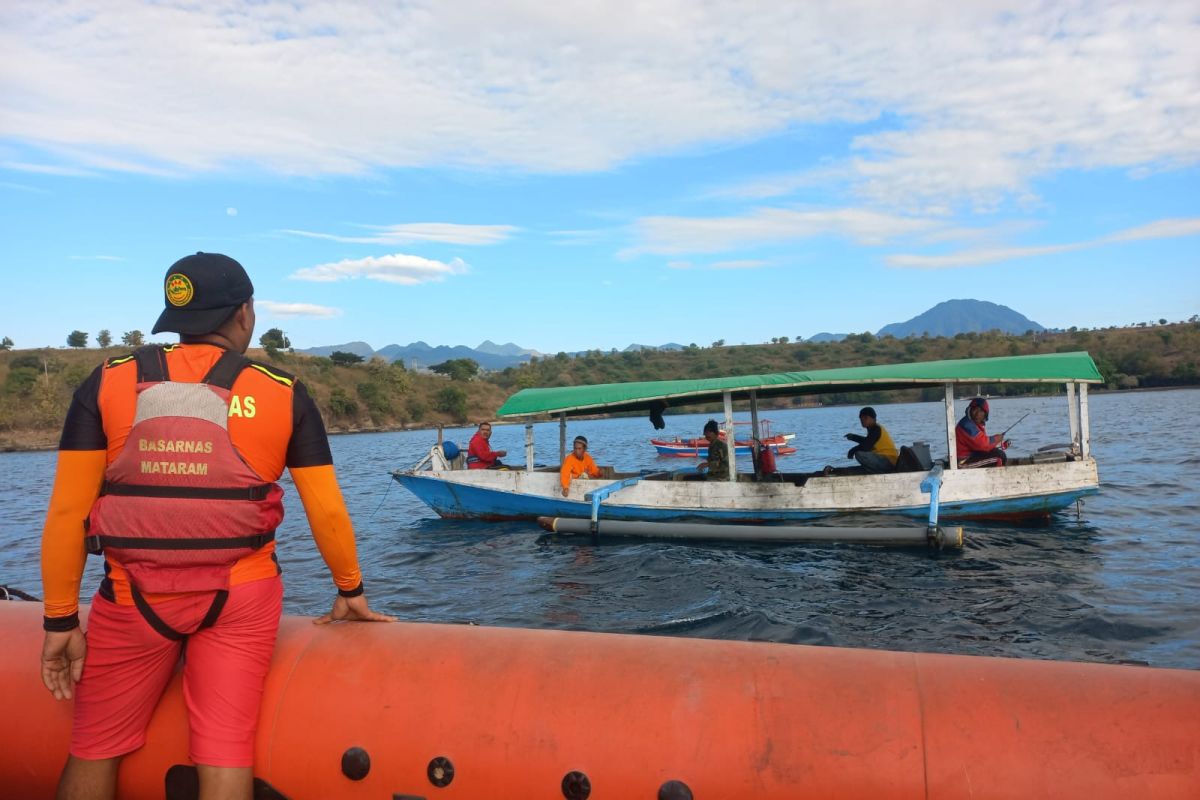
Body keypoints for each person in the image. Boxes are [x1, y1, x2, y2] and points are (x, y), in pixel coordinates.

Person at [38, 252, 392, 800]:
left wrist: (60, 620)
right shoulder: (282, 390)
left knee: (94, 747)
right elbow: (325, 508)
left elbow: (66, 512)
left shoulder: (108, 381)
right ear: (244, 313)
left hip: (132, 597)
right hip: (241, 596)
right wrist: (350, 590)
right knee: (226, 754)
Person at [956, 397, 1009, 467]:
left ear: (985, 414)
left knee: (996, 452)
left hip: (971, 456)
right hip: (963, 462)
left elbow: (980, 445)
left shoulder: (973, 423)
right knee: (999, 456)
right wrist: (997, 438)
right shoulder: (967, 425)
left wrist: (998, 445)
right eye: (975, 409)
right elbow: (984, 445)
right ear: (970, 409)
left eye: (981, 411)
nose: (977, 413)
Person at [844, 406, 898, 474]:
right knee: (860, 452)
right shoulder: (874, 429)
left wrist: (852, 450)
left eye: (865, 418)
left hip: (889, 460)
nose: (862, 420)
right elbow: (868, 441)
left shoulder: (876, 429)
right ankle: (873, 470)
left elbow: (866, 446)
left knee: (859, 454)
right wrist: (853, 437)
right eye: (861, 418)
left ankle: (878, 472)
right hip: (886, 459)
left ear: (873, 418)